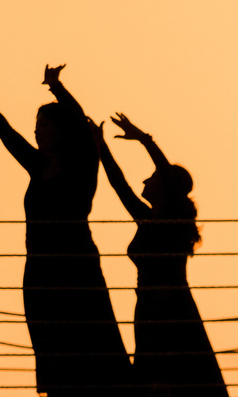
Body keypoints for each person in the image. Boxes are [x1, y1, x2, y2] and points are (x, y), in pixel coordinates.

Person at [0, 65, 132, 396]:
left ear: (61, 130)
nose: (37, 131)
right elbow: (6, 133)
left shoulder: (82, 164)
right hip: (39, 269)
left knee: (89, 339)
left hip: (77, 266)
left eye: (43, 125)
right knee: (50, 342)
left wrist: (57, 86)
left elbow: (81, 123)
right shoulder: (37, 166)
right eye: (36, 126)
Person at [89, 113, 228, 396]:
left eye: (152, 178)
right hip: (147, 308)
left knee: (171, 380)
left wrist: (143, 139)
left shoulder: (172, 223)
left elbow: (163, 171)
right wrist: (100, 145)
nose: (145, 181)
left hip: (170, 310)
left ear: (165, 187)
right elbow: (120, 185)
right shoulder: (148, 219)